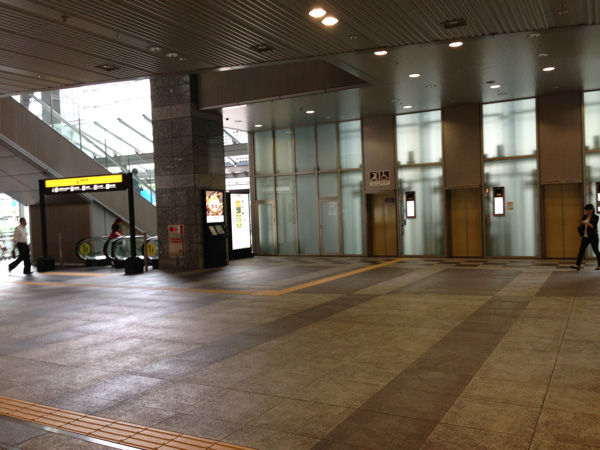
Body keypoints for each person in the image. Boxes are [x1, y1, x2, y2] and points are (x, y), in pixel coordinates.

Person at [572, 204, 600, 271]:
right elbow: (581, 226)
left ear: (592, 210)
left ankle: (599, 265)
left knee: (596, 251)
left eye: (588, 210)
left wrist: (586, 222)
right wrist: (580, 224)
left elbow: (593, 227)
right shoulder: (584, 216)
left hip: (593, 237)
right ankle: (577, 265)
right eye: (586, 210)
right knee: (581, 250)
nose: (586, 211)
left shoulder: (596, 217)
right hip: (585, 236)